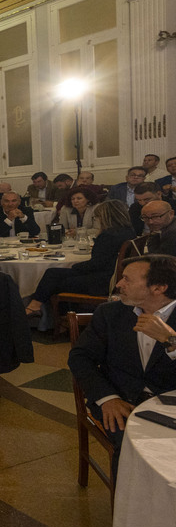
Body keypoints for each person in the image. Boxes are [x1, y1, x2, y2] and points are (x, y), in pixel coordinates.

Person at [69, 255, 176, 471]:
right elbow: (80, 357)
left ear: (159, 287)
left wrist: (171, 341)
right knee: (132, 449)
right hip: (122, 400)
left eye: (127, 279)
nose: (119, 284)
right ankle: (128, 504)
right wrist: (108, 398)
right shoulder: (110, 313)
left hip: (170, 404)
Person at [24, 201, 134, 315]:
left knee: (57, 281)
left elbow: (96, 264)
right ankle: (38, 307)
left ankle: (55, 315)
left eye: (98, 217)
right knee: (53, 273)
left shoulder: (108, 236)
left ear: (105, 217)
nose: (98, 220)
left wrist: (75, 266)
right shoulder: (128, 231)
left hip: (103, 282)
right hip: (113, 276)